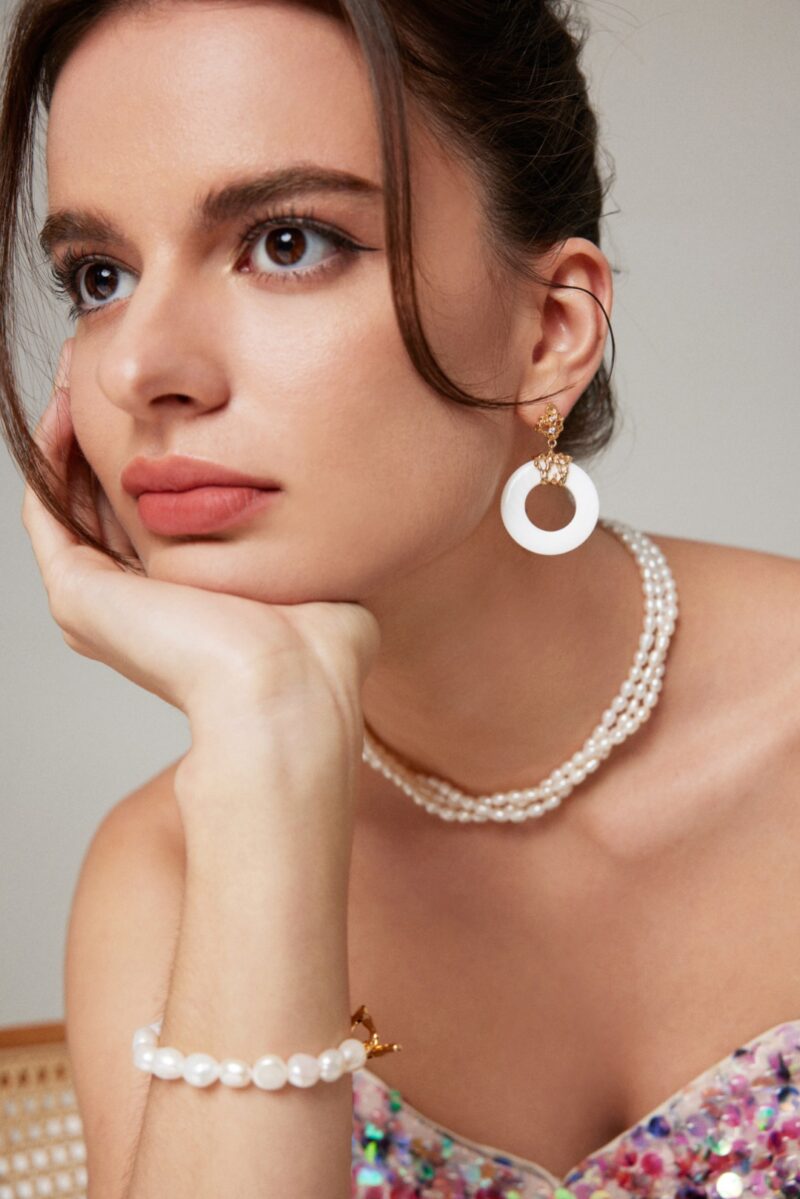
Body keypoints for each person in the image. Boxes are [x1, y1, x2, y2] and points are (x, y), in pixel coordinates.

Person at [3, 0, 798, 1196]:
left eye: (286, 243)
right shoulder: (166, 873)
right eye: (99, 275)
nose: (139, 369)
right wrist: (266, 744)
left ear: (546, 330)